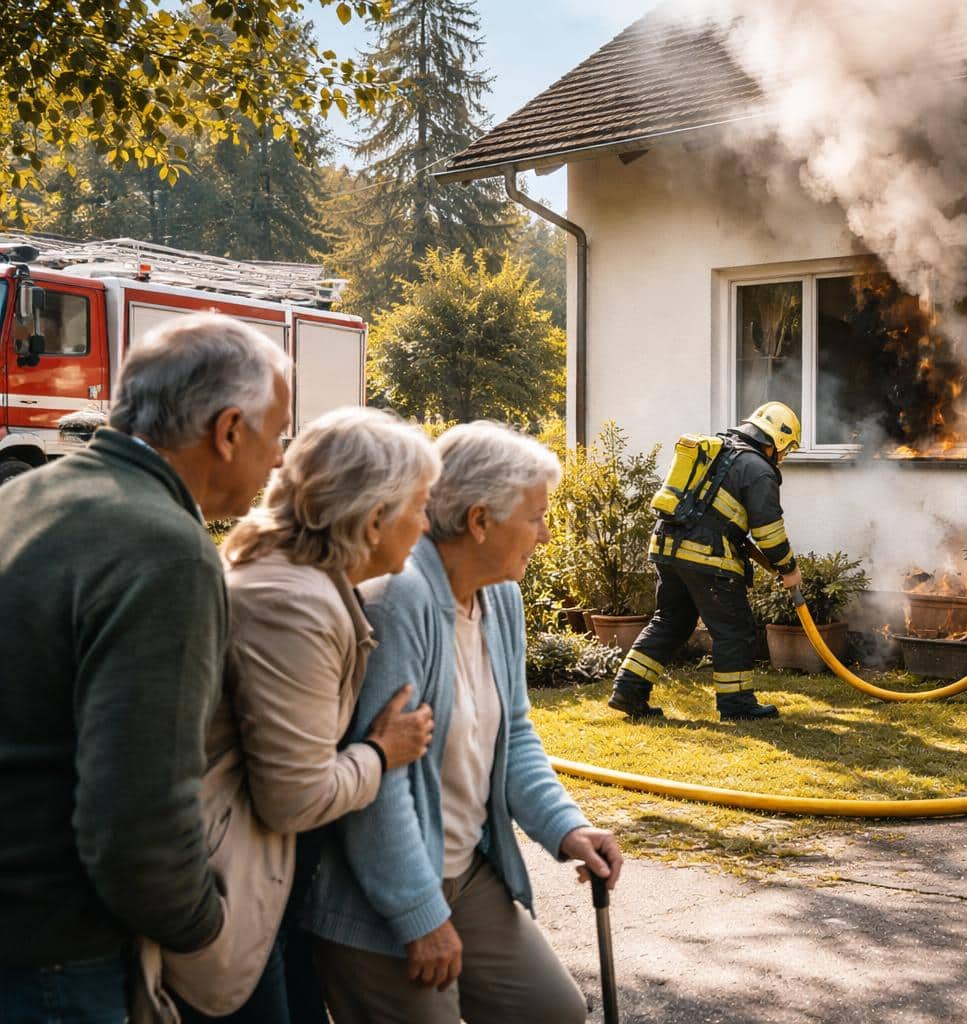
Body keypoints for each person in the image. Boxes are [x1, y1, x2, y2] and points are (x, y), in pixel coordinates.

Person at [0, 313, 289, 1021]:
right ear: (227, 432)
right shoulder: (167, 550)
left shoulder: (21, 497)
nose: (281, 459)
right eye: (278, 435)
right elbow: (136, 818)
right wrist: (202, 927)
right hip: (57, 954)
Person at [300, 421, 624, 1024]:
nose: (546, 534)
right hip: (378, 893)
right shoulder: (401, 599)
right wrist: (422, 917)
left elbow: (515, 733)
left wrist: (566, 827)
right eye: (535, 518)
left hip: (464, 869)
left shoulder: (500, 596)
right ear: (480, 520)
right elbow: (379, 785)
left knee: (552, 1013)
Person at [173, 407, 442, 1023]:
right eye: (420, 506)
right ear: (375, 518)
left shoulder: (299, 580)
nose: (426, 524)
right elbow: (292, 798)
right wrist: (381, 752)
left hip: (256, 887)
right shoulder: (294, 605)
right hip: (230, 894)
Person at [608, 401, 805, 721]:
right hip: (707, 556)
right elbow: (768, 532)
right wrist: (789, 569)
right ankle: (737, 705)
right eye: (786, 449)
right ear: (776, 442)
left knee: (671, 621)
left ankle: (628, 691)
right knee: (735, 628)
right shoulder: (758, 469)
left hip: (666, 548)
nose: (783, 458)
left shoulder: (717, 450)